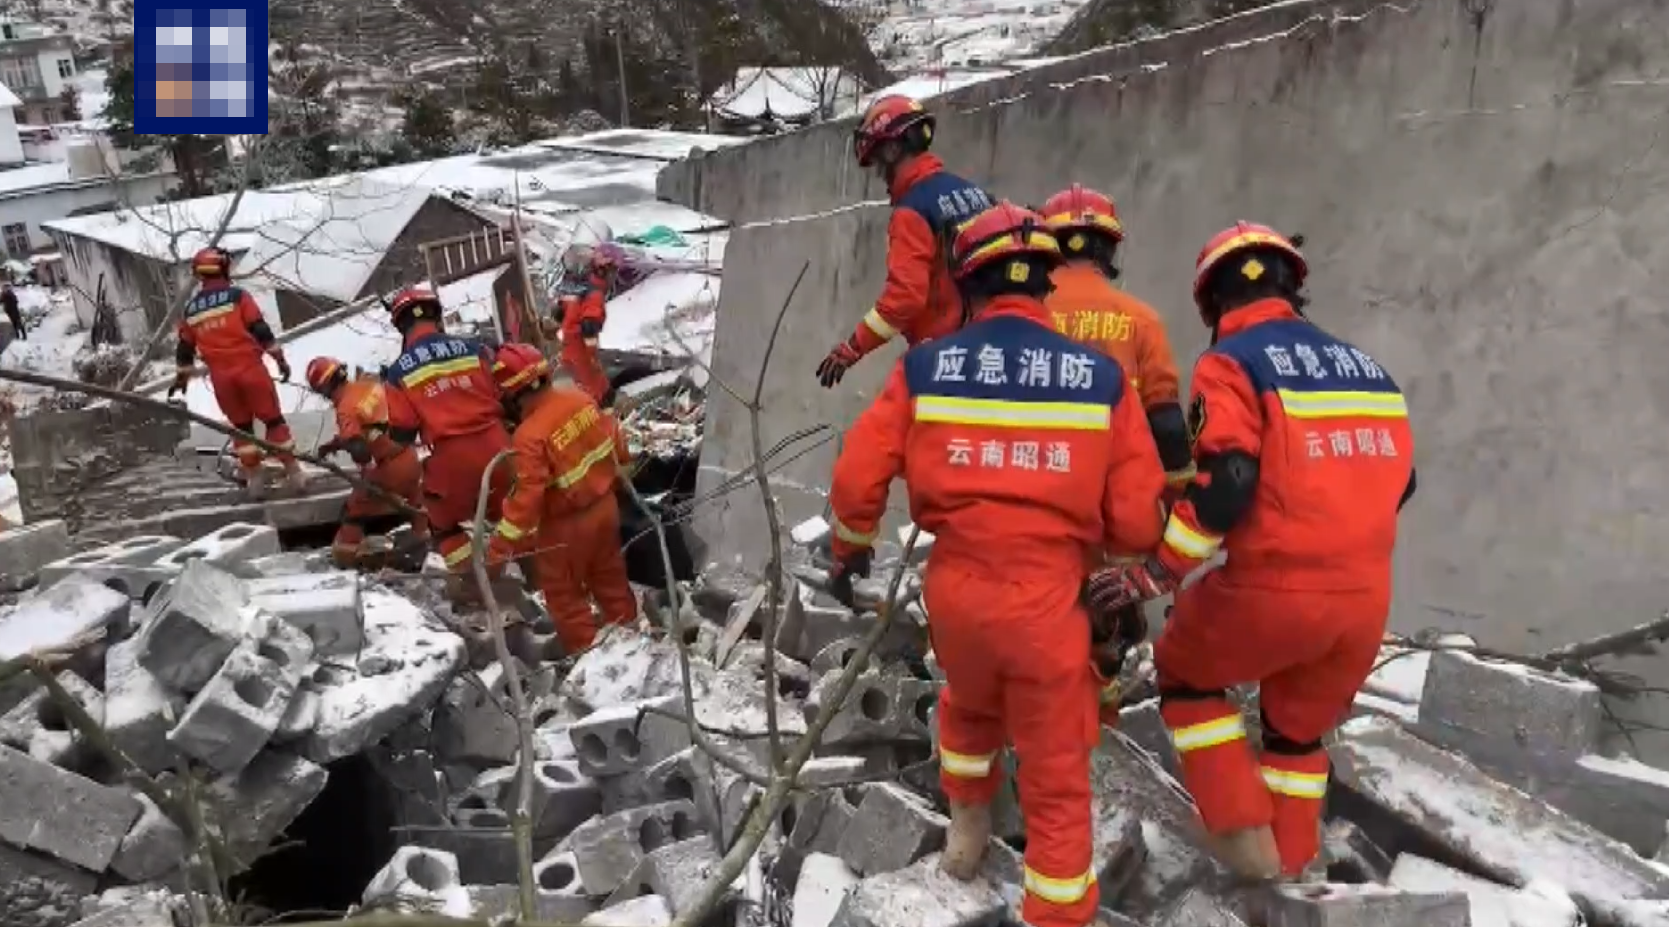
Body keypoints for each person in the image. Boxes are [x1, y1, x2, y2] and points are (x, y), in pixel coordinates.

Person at [824, 202, 1167, 927]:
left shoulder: (925, 367)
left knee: (968, 705)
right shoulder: (1100, 378)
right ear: (1046, 282)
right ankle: (1057, 911)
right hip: (1051, 599)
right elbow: (1137, 514)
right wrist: (1126, 570)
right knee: (1053, 761)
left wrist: (849, 546)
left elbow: (859, 470)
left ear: (967, 281)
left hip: (957, 592)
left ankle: (964, 838)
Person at [1083, 222, 1417, 881]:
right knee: (1294, 733)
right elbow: (1402, 482)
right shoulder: (1366, 368)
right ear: (1295, 289)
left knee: (1185, 671)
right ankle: (1291, 876)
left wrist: (1155, 573)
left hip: (1273, 591)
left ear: (1210, 303)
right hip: (1364, 602)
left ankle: (1245, 844)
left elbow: (1226, 482)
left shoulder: (1232, 362)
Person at [815, 95, 995, 388]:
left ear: (893, 149)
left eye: (879, 164)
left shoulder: (913, 211)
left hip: (947, 362)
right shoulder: (975, 195)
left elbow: (905, 299)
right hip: (991, 352)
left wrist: (853, 346)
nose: (882, 178)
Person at [483, 343, 637, 654]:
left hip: (566, 529)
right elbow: (617, 443)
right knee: (611, 582)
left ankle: (589, 662)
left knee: (565, 598)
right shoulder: (579, 398)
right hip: (606, 508)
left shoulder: (529, 435)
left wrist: (497, 552)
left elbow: (528, 499)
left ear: (512, 394)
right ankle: (634, 646)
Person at [1040, 184, 1193, 488]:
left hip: (1033, 479)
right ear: (1110, 248)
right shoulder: (1142, 320)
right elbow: (1166, 422)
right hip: (1116, 490)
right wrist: (1181, 493)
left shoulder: (1019, 315)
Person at [380, 286, 513, 576]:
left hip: (452, 464)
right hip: (500, 449)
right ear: (437, 315)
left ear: (402, 325)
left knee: (444, 525)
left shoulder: (397, 372)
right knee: (515, 516)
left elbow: (403, 433)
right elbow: (504, 395)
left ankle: (473, 584)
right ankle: (536, 581)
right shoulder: (476, 350)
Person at [169, 247, 303, 491]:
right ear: (223, 267)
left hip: (222, 380)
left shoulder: (191, 310)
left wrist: (182, 379)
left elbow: (184, 349)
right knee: (273, 422)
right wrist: (280, 359)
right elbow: (260, 329)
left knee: (242, 429)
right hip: (250, 370)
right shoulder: (238, 296)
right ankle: (294, 473)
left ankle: (254, 480)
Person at [306, 356, 430, 569]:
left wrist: (346, 444)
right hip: (409, 457)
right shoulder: (368, 386)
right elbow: (373, 426)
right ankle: (426, 547)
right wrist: (336, 444)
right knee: (417, 507)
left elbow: (361, 452)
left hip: (389, 469)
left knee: (353, 512)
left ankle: (349, 560)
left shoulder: (345, 408)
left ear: (325, 389)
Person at [560, 255, 614, 404]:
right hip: (581, 353)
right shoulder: (595, 294)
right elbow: (589, 325)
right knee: (595, 393)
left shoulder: (576, 289)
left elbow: (559, 311)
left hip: (567, 349)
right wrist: (592, 356)